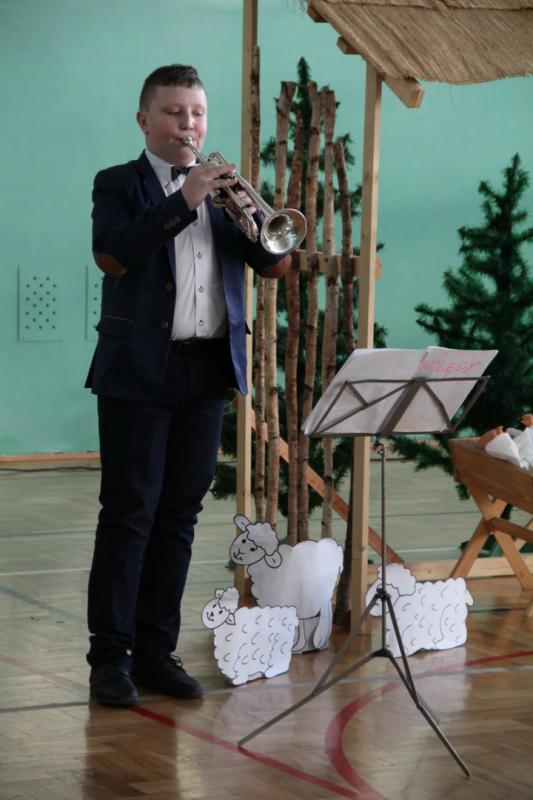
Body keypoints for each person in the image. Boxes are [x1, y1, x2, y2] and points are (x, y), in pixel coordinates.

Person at [85, 64, 290, 706]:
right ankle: (109, 659)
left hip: (206, 373)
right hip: (138, 371)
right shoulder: (118, 183)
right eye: (175, 113)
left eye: (197, 113)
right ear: (145, 120)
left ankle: (156, 652)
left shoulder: (226, 190)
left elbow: (274, 266)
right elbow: (112, 254)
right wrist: (183, 201)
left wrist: (257, 219)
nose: (188, 125)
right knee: (129, 517)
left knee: (178, 518)